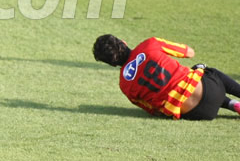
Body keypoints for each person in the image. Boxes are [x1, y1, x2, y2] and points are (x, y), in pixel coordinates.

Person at [92, 35, 240, 120]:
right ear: (123, 42)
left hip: (198, 114)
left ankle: (232, 104)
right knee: (203, 69)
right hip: (212, 90)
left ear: (111, 64)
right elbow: (190, 52)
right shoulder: (150, 44)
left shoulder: (124, 85)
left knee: (185, 88)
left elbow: (154, 110)